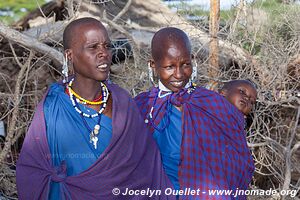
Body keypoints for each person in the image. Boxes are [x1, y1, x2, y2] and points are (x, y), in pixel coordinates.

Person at [16, 17, 174, 200]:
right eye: (93, 47)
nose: (104, 53)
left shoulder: (123, 102)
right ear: (70, 55)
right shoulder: (53, 107)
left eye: (107, 46)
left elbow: (146, 166)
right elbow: (32, 170)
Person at [134, 27, 255, 199]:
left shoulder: (213, 104)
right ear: (153, 65)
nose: (178, 74)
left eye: (185, 65)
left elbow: (239, 161)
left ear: (193, 60)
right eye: (169, 67)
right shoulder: (142, 106)